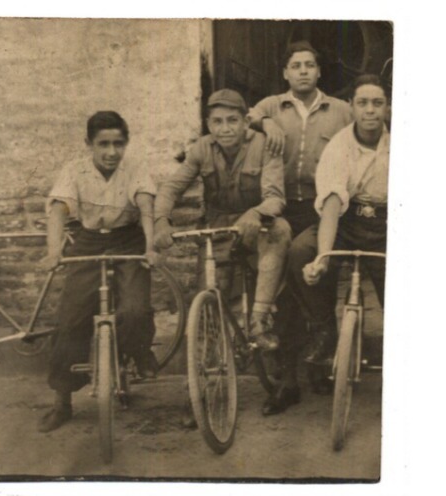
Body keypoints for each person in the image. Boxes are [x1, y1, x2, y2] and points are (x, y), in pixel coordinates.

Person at [246, 41, 354, 415]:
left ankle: (322, 368)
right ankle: (287, 382)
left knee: (318, 279)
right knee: (284, 295)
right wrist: (265, 121)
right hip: (280, 208)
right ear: (285, 73)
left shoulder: (341, 111)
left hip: (324, 205)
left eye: (310, 64)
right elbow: (243, 119)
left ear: (320, 72)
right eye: (296, 65)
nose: (304, 71)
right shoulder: (271, 106)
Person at [38, 111, 161, 433]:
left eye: (118, 144)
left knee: (135, 309)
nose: (111, 152)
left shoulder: (135, 169)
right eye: (103, 144)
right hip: (88, 242)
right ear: (89, 144)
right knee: (71, 320)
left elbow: (147, 208)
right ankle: (62, 402)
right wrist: (54, 252)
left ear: (126, 143)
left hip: (129, 240)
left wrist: (149, 248)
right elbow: (57, 210)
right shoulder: (74, 171)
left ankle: (138, 351)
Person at [154, 89, 291, 351]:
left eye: (232, 120)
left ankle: (259, 319)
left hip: (254, 226)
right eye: (217, 121)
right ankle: (208, 362)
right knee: (210, 298)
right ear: (208, 124)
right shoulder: (201, 148)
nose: (225, 128)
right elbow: (171, 188)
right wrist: (161, 220)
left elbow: (276, 198)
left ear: (245, 122)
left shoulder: (264, 145)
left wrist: (255, 213)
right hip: (217, 229)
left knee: (280, 230)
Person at [288, 74, 390, 368]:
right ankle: (323, 329)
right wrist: (321, 257)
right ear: (351, 107)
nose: (370, 110)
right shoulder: (339, 145)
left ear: (387, 108)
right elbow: (332, 204)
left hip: (387, 226)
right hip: (346, 221)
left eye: (377, 103)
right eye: (362, 103)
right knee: (300, 251)